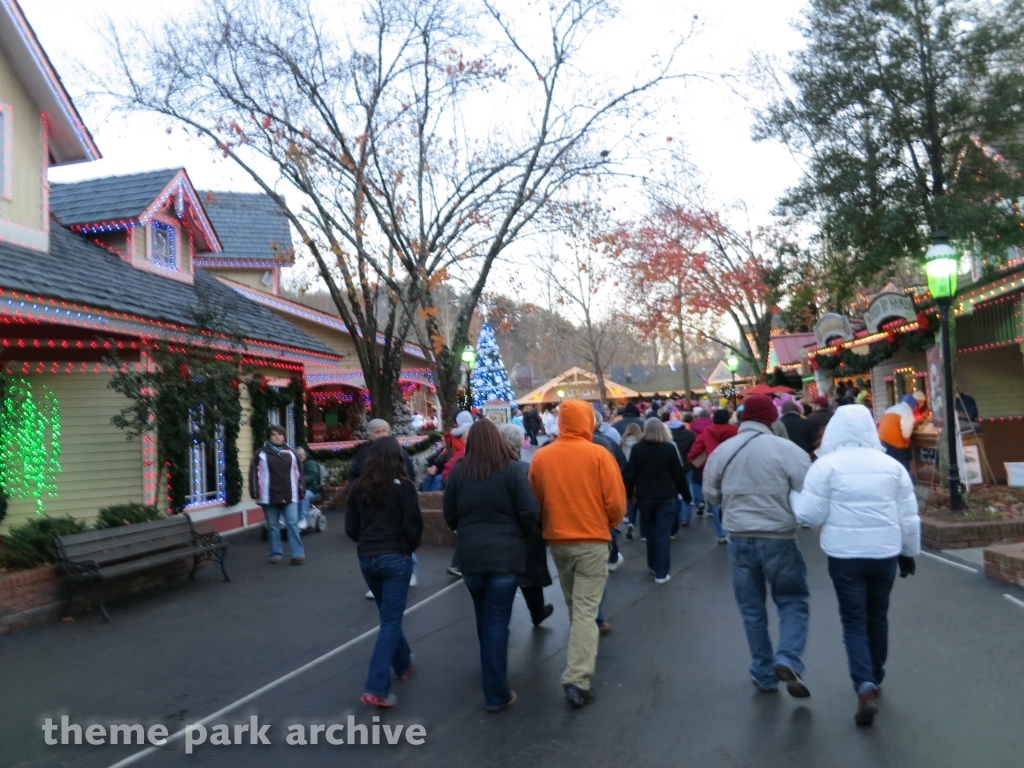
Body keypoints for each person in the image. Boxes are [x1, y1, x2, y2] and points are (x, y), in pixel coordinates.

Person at [793, 405, 921, 726]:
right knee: (877, 616)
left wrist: (795, 498)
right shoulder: (892, 467)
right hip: (885, 554)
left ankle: (863, 684)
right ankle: (875, 677)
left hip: (845, 555)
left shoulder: (826, 466)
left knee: (853, 620)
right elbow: (907, 516)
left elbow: (809, 515)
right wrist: (909, 552)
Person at [703, 394, 813, 697]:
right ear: (771, 419)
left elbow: (710, 494)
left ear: (743, 418)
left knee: (752, 609)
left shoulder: (724, 451)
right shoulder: (787, 450)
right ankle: (788, 657)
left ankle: (764, 673)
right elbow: (807, 489)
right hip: (778, 537)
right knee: (792, 601)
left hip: (738, 538)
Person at [529, 399, 626, 708]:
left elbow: (535, 501)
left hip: (558, 540)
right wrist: (607, 524)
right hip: (593, 539)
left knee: (574, 605)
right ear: (587, 421)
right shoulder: (599, 454)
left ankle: (578, 657)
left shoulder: (542, 457)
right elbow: (616, 503)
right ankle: (576, 678)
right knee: (585, 609)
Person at [444, 418, 539, 713]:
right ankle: (496, 691)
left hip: (471, 556)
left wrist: (465, 530)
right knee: (497, 621)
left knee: (484, 617)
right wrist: (521, 535)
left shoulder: (460, 470)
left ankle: (491, 672)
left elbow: (450, 512)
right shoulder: (511, 470)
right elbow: (530, 510)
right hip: (505, 555)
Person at [345, 436, 423, 708]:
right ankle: (375, 687)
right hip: (396, 556)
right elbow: (413, 526)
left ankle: (403, 662)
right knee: (390, 621)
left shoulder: (357, 488)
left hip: (367, 557)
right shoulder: (405, 488)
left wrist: (367, 544)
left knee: (389, 616)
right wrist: (406, 547)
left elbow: (351, 527)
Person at [497, 422, 554, 626]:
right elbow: (536, 501)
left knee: (504, 578)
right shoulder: (523, 469)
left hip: (500, 532)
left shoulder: (489, 468)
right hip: (525, 531)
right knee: (530, 576)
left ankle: (505, 618)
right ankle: (537, 611)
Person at [623, 418, 691, 583]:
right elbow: (678, 475)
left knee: (650, 533)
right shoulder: (668, 448)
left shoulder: (638, 449)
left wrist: (628, 495)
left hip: (645, 497)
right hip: (666, 496)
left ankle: (652, 565)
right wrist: (686, 495)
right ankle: (661, 572)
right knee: (663, 534)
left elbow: (630, 474)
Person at [249, 425, 306, 565]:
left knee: (292, 523)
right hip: (268, 496)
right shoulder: (260, 454)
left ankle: (297, 554)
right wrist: (255, 492)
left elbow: (299, 474)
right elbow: (253, 474)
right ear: (269, 436)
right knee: (273, 526)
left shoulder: (291, 453)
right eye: (274, 434)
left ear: (284, 436)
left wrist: (301, 490)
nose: (277, 436)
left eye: (280, 434)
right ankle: (275, 553)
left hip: (289, 495)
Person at [688, 408, 738, 544]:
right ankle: (734, 530)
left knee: (716, 503)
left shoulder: (707, 432)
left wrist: (692, 461)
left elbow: (696, 449)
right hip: (734, 468)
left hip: (713, 469)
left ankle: (722, 533)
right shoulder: (737, 431)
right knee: (733, 499)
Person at [350, 419, 415, 480]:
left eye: (384, 431)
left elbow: (409, 473)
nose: (382, 435)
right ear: (370, 436)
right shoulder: (364, 453)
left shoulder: (398, 450)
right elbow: (356, 476)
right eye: (377, 432)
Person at [666, 410, 697, 522]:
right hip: (686, 467)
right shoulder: (689, 434)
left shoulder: (666, 435)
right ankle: (685, 516)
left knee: (673, 492)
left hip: (670, 468)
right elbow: (694, 449)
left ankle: (675, 515)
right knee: (686, 490)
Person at [877, 393, 922, 471]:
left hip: (881, 440)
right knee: (904, 460)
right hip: (894, 441)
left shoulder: (891, 408)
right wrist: (906, 442)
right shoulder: (907, 409)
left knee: (888, 463)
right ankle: (903, 476)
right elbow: (906, 428)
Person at [620, 422, 643, 540]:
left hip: (625, 473)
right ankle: (644, 533)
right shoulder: (641, 443)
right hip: (639, 474)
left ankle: (630, 522)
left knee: (630, 498)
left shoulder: (622, 442)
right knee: (641, 499)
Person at [294, 447, 321, 527]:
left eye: (303, 454)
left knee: (303, 496)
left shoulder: (310, 463)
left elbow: (312, 475)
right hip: (295, 489)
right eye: (299, 455)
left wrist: (298, 481)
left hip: (310, 489)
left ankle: (303, 519)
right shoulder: (293, 464)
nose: (301, 456)